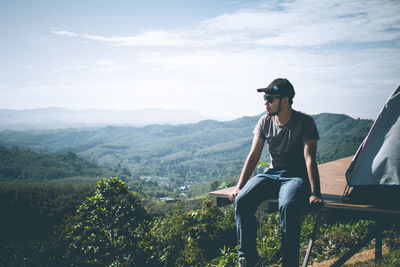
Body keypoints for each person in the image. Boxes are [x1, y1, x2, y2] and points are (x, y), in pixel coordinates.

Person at [229, 78, 323, 267]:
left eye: (270, 98)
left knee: (288, 206)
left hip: (295, 177)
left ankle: (289, 263)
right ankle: (248, 259)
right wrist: (239, 187)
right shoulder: (265, 121)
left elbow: (309, 158)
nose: (265, 102)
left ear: (285, 100)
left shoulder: (305, 122)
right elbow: (253, 155)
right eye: (265, 97)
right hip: (272, 173)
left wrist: (315, 193)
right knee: (242, 200)